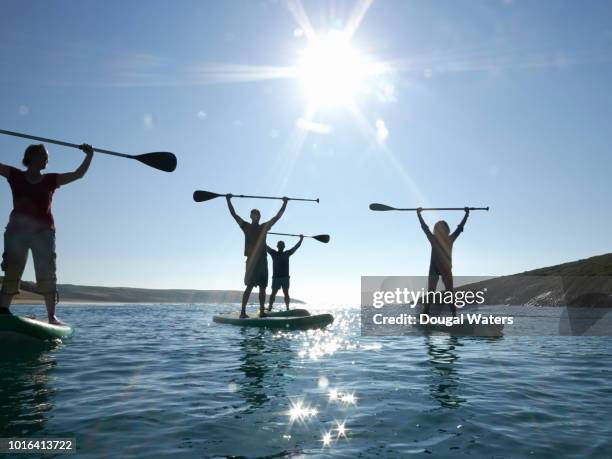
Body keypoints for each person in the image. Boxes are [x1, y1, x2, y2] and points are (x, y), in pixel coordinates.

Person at [0, 143, 94, 324]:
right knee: (12, 271)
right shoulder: (15, 175)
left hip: (43, 233)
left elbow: (78, 175)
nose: (47, 159)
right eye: (44, 155)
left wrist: (89, 155)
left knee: (47, 274)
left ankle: (52, 317)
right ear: (32, 157)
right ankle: (3, 312)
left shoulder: (50, 180)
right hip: (16, 233)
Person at [227, 195, 288, 318]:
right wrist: (228, 200)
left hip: (262, 261)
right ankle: (243, 312)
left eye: (257, 215)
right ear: (251, 216)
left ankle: (261, 311)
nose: (255, 216)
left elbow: (277, 217)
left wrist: (285, 203)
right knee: (249, 286)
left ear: (259, 217)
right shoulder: (245, 226)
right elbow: (234, 214)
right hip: (251, 261)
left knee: (262, 288)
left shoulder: (264, 227)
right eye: (253, 214)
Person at [417, 207, 469, 317]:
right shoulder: (433, 238)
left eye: (443, 228)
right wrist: (419, 215)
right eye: (439, 228)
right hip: (434, 268)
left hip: (446, 269)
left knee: (449, 293)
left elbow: (460, 228)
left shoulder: (450, 239)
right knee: (431, 292)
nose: (441, 230)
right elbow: (424, 228)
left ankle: (454, 315)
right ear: (436, 230)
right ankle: (426, 313)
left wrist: (467, 214)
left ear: (446, 230)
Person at [266, 235, 303, 311]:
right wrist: (263, 236)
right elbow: (265, 246)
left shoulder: (287, 253)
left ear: (284, 247)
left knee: (285, 293)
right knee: (274, 293)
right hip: (276, 277)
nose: (280, 246)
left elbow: (296, 247)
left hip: (285, 277)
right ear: (277, 246)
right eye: (280, 245)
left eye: (281, 245)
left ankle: (287, 308)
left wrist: (301, 239)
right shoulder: (273, 253)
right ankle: (270, 307)